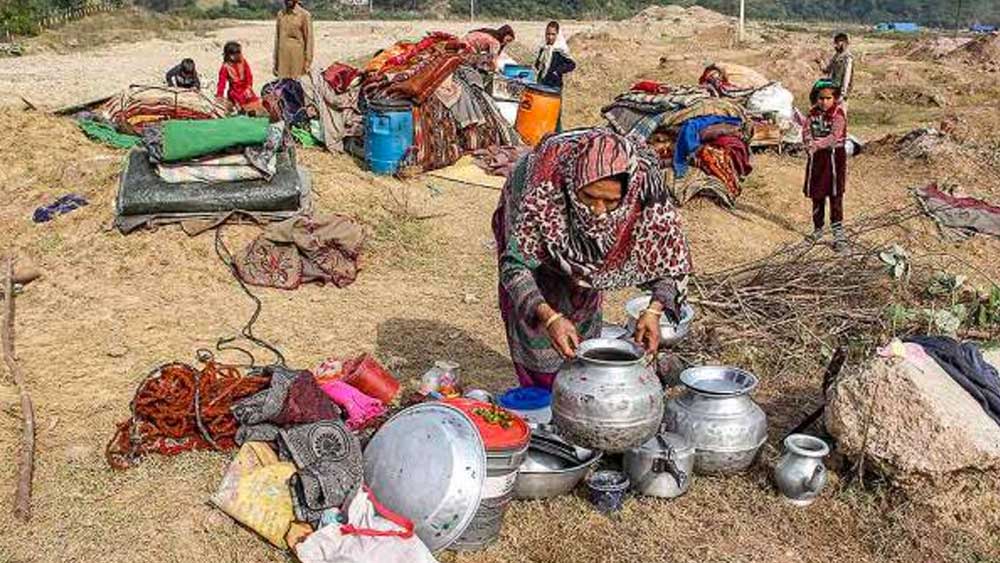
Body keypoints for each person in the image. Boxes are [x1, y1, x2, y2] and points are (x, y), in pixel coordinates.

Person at [493, 128, 692, 389]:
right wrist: (550, 317)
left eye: (610, 201)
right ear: (574, 184)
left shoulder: (645, 192)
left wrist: (654, 311)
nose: (598, 211)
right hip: (531, 211)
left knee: (582, 301)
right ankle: (540, 390)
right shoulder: (543, 190)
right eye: (588, 197)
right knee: (534, 321)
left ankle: (578, 376)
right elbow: (515, 266)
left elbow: (670, 261)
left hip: (583, 244)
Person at [798, 79, 848, 251]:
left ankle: (838, 233)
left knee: (835, 195)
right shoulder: (812, 114)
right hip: (816, 160)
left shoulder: (838, 115)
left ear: (834, 98)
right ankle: (817, 228)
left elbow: (834, 136)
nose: (824, 102)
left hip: (834, 159)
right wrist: (808, 143)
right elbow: (806, 131)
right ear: (815, 98)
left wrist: (816, 145)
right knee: (817, 194)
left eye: (828, 98)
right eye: (821, 98)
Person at [216, 41, 264, 115]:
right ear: (228, 55)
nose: (236, 56)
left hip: (246, 90)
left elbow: (249, 76)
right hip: (235, 93)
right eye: (234, 54)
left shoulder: (243, 62)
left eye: (238, 53)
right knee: (238, 106)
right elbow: (222, 83)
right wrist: (219, 95)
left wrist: (249, 87)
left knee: (255, 103)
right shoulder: (225, 67)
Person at [274, 0, 314, 79]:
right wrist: (276, 61)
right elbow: (277, 39)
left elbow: (309, 40)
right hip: (283, 58)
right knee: (283, 84)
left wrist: (308, 62)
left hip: (298, 58)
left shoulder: (304, 15)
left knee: (296, 83)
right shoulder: (281, 15)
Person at [534, 21, 575, 90]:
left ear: (557, 34)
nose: (550, 37)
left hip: (554, 85)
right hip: (542, 82)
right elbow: (538, 64)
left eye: (553, 34)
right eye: (548, 34)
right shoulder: (544, 48)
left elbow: (572, 64)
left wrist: (557, 71)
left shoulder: (560, 50)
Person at [823, 33, 854, 109]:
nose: (836, 45)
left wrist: (843, 94)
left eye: (838, 42)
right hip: (833, 89)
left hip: (841, 91)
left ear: (844, 43)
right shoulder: (836, 56)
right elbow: (827, 70)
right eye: (835, 42)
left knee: (840, 112)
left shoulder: (847, 58)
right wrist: (820, 62)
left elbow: (847, 77)